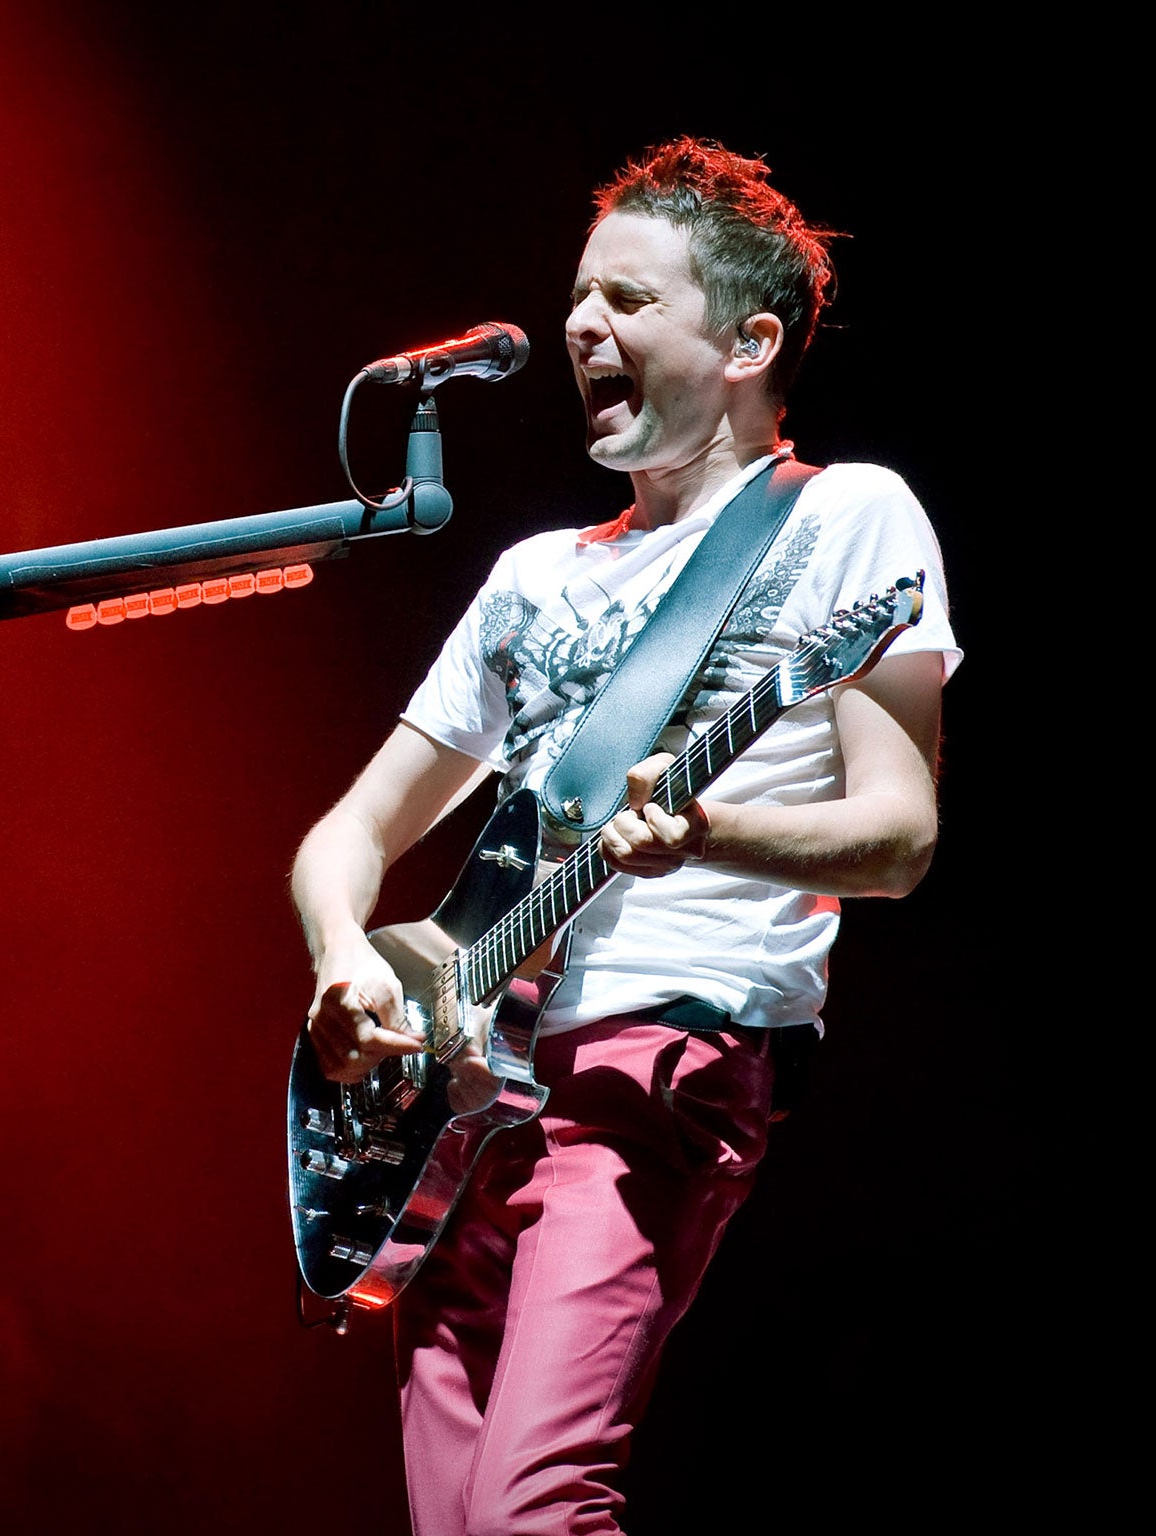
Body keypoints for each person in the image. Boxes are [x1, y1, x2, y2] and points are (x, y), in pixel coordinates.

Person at [288, 136, 960, 1535]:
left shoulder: (845, 516)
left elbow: (898, 838)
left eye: (630, 303)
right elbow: (346, 834)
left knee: (537, 1503)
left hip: (663, 1057)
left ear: (749, 341)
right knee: (453, 1514)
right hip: (465, 1092)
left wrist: (709, 827)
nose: (584, 328)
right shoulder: (534, 574)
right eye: (580, 298)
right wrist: (346, 957)